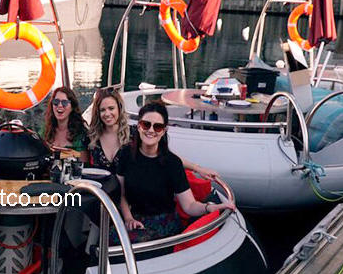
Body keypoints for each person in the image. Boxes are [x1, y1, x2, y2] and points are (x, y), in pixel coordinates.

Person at [117, 101, 235, 243]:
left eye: (158, 127)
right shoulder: (125, 154)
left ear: (164, 130)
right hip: (134, 219)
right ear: (138, 126)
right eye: (146, 124)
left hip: (164, 224)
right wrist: (128, 218)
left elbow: (189, 205)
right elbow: (121, 194)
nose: (151, 130)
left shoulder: (172, 163)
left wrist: (209, 207)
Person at [88, 87, 220, 179]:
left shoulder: (135, 132)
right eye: (102, 110)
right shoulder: (92, 137)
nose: (107, 114)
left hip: (129, 197)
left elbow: (165, 155)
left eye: (111, 108)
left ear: (119, 109)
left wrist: (198, 169)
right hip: (100, 196)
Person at [40, 86, 89, 163]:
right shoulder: (45, 129)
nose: (60, 105)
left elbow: (83, 164)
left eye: (64, 102)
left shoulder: (80, 132)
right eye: (56, 102)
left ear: (72, 107)